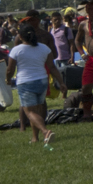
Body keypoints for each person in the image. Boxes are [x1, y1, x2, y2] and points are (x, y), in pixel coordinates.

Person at [6, 14, 56, 147]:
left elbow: (10, 70)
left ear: (20, 36)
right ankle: (35, 138)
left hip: (26, 82)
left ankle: (45, 131)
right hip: (42, 81)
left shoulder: (16, 50)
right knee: (37, 110)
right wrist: (61, 82)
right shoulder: (44, 48)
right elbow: (52, 66)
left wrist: (7, 79)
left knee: (30, 112)